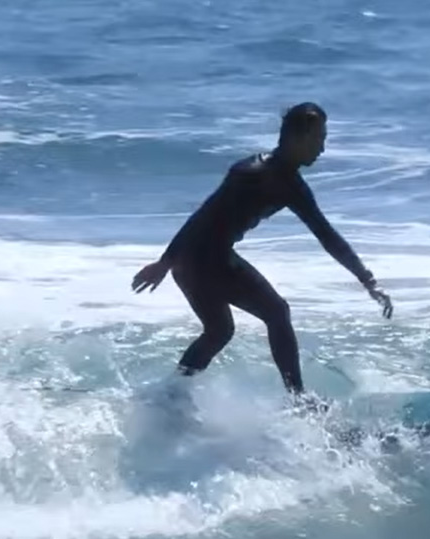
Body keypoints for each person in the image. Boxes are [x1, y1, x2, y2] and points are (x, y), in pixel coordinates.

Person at [130, 102, 393, 408]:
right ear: (298, 137)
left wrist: (367, 280)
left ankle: (171, 394)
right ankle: (298, 399)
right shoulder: (252, 173)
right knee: (276, 313)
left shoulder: (290, 183)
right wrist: (165, 261)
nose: (322, 147)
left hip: (193, 262)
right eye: (319, 137)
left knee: (219, 331)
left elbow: (326, 235)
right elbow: (203, 217)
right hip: (204, 260)